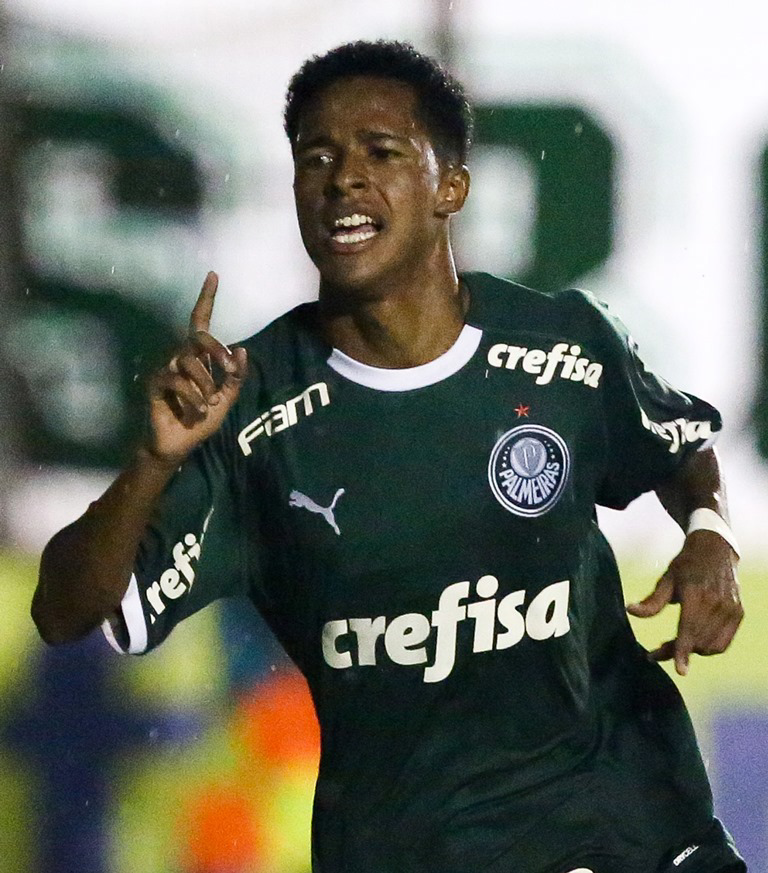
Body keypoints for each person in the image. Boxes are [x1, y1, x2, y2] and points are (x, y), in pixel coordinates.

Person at [33, 40, 746, 873]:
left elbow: (676, 444)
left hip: (637, 833)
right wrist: (154, 461)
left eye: (381, 153)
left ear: (451, 188)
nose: (344, 179)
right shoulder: (248, 413)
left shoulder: (566, 346)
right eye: (317, 158)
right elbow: (65, 609)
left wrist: (709, 532)